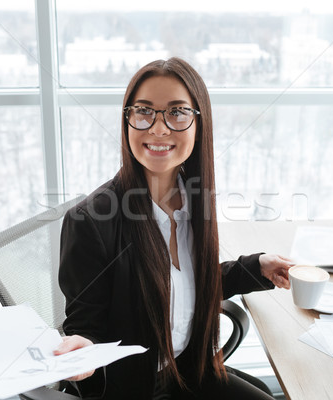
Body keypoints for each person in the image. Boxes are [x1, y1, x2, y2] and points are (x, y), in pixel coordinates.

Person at [55, 57, 293, 399]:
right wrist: (82, 347)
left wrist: (256, 268)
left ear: (199, 123)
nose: (159, 128)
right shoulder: (90, 222)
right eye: (144, 111)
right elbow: (86, 325)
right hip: (133, 389)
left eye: (177, 112)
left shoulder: (194, 197)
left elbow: (186, 287)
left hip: (190, 370)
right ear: (127, 121)